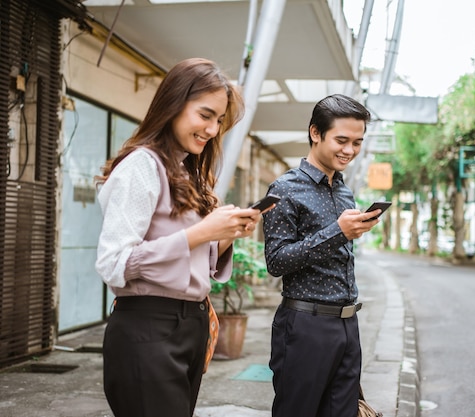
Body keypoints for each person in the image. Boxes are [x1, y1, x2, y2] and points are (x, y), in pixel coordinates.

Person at [95, 58, 264, 417]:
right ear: (173, 103)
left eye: (219, 120)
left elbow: (192, 257)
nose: (213, 129)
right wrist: (202, 231)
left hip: (189, 326)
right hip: (149, 327)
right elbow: (114, 264)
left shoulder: (187, 173)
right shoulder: (142, 165)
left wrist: (225, 235)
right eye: (205, 115)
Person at [262, 94, 381, 417]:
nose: (349, 150)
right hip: (304, 326)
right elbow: (276, 261)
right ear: (316, 133)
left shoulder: (344, 191)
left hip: (348, 323)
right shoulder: (285, 189)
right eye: (341, 140)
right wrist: (337, 232)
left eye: (357, 142)